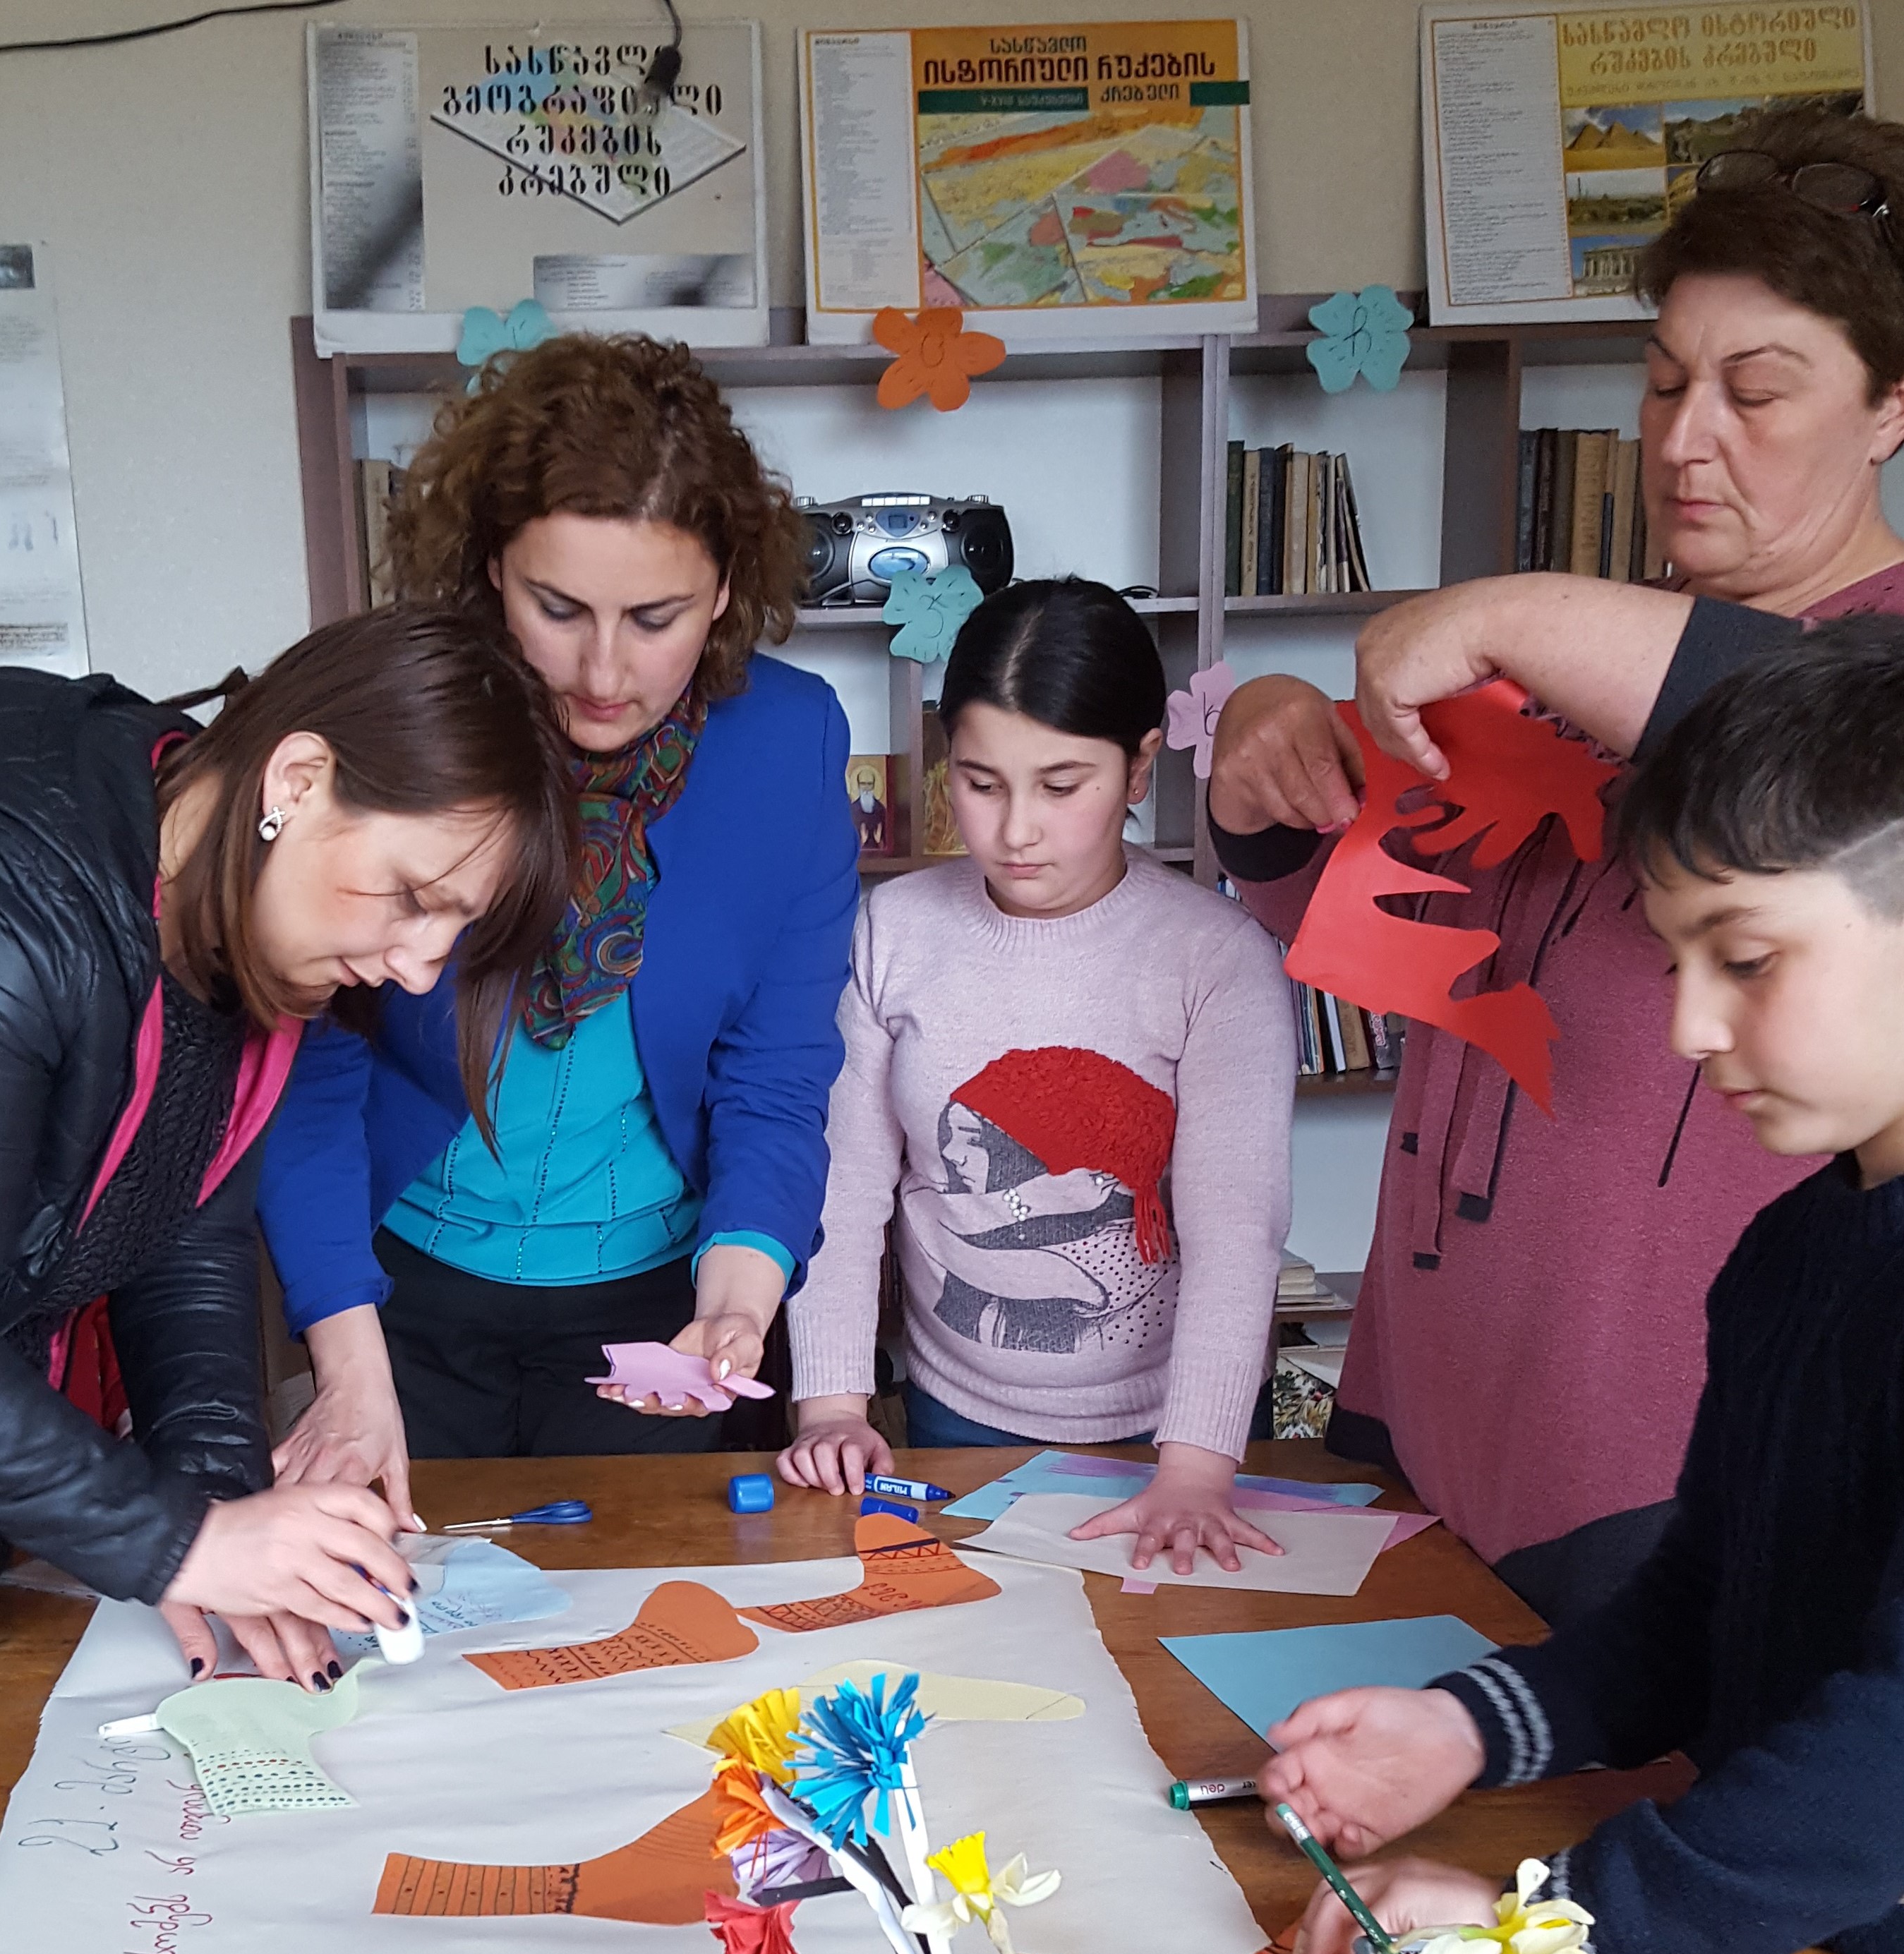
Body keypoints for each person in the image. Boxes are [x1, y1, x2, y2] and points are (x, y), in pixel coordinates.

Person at [1207, 105, 1904, 1622]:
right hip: (1423, 1407)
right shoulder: (1581, 660)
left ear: (1890, 409)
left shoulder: (1845, 670)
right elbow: (1370, 920)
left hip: (1656, 1485)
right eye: (1663, 383)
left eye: (1755, 393)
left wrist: (1508, 608)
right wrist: (1264, 773)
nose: (1685, 439)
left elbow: (1801, 719)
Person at [0, 608, 575, 1791]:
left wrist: (222, 1505)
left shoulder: (209, 899)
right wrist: (188, 1540)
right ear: (298, 781)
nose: (421, 968)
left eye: (455, 928)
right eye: (411, 897)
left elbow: (184, 1225)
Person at [1272, 617, 1904, 1954]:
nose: (1688, 1027)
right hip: (1778, 1951)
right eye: (1679, 963)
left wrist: (1547, 1926)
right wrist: (1467, 1729)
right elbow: (1700, 1603)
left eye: (1746, 959)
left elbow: (1889, 1755)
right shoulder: (1791, 1249)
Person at [258, 334, 857, 1498]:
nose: (603, 671)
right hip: (397, 1292)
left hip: (660, 1297)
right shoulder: (409, 728)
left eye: (656, 617)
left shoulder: (789, 746)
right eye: (558, 607)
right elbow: (310, 1070)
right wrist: (346, 1358)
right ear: (492, 568)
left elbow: (777, 1071)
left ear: (725, 591)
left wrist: (738, 1300)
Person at [778, 580, 1295, 1574]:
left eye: (1062, 787)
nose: (1016, 830)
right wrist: (834, 1405)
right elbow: (844, 1188)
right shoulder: (893, 932)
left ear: (1140, 764)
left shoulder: (1215, 957)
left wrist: (1195, 1466)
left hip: (1179, 1429)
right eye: (982, 783)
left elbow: (1237, 1230)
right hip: (956, 1412)